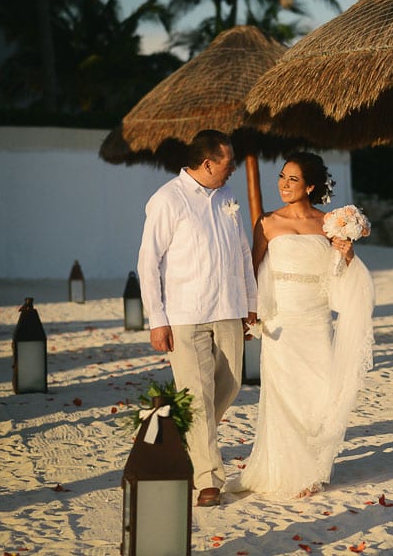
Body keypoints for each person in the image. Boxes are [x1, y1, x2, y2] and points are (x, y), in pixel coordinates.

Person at [230, 151, 374, 499]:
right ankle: (288, 471)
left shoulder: (327, 224)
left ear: (310, 186)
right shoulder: (266, 222)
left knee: (319, 393)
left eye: (293, 179)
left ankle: (312, 467)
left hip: (316, 318)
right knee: (283, 395)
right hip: (282, 320)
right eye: (282, 176)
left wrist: (346, 253)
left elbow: (337, 273)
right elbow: (253, 268)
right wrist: (250, 312)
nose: (284, 184)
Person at [137, 129, 257, 507]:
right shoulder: (166, 200)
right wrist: (157, 319)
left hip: (229, 308)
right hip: (185, 314)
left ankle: (178, 431)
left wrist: (249, 305)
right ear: (208, 163)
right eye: (228, 162)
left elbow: (242, 252)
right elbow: (147, 262)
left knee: (232, 383)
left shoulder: (228, 197)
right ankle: (208, 478)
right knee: (198, 396)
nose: (233, 168)